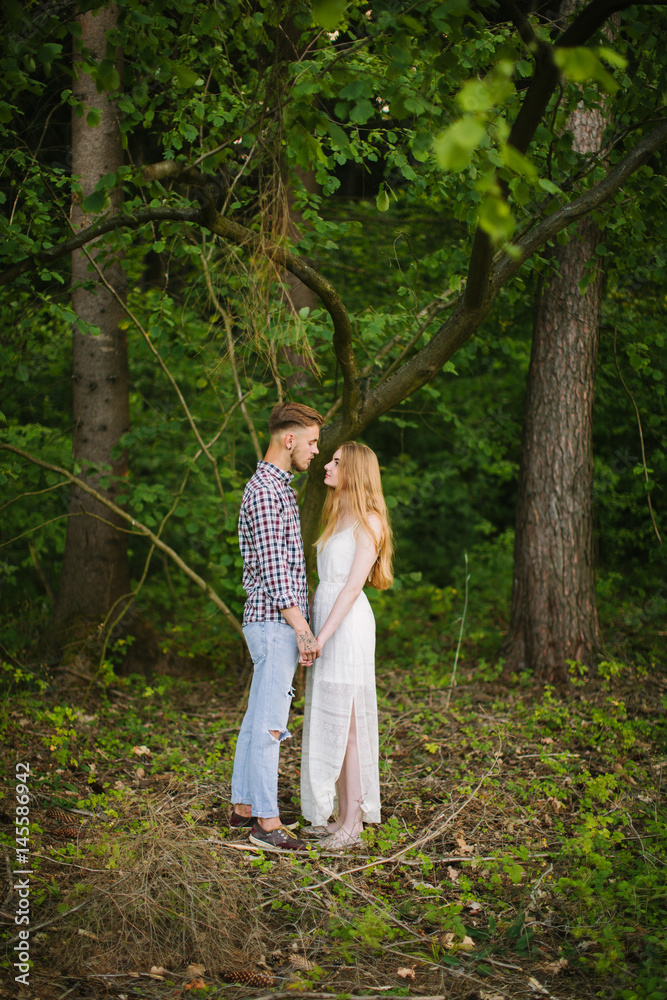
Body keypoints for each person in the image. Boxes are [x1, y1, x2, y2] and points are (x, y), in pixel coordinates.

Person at [231, 401, 324, 852]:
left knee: (255, 720)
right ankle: (266, 825)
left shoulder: (276, 487)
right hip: (274, 622)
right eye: (311, 442)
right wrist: (302, 628)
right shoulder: (267, 491)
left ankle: (243, 807)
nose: (315, 452)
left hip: (271, 622)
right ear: (289, 439)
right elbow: (274, 570)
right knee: (271, 725)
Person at [300, 441, 393, 850]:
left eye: (336, 461)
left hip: (348, 627)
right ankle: (338, 815)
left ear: (354, 470)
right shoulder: (337, 514)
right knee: (332, 720)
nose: (327, 464)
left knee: (351, 727)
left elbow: (353, 588)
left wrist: (320, 637)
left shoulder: (369, 522)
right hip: (326, 620)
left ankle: (353, 824)